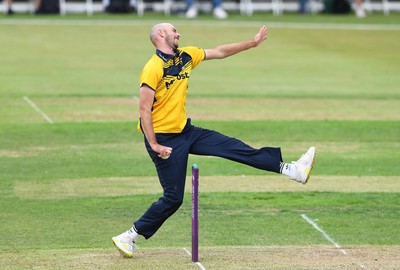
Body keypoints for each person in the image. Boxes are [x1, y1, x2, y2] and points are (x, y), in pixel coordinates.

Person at [112, 23, 316, 258]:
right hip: (164, 140)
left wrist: (251, 43)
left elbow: (219, 51)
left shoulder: (186, 55)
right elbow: (144, 109)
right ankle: (129, 236)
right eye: (173, 30)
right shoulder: (153, 67)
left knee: (233, 147)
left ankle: (292, 170)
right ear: (161, 34)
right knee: (173, 198)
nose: (178, 33)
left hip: (186, 132)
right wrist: (155, 145)